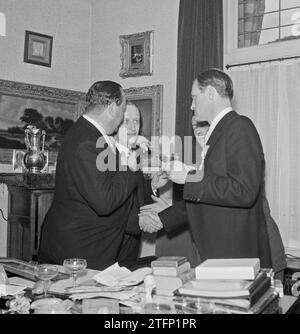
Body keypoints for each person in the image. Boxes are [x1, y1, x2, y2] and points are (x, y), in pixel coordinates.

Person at [139, 68, 273, 269]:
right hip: (221, 254)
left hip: (235, 256)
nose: (192, 106)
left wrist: (189, 177)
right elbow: (210, 196)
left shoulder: (240, 127)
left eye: (194, 97)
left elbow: (244, 191)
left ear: (210, 93)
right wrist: (165, 217)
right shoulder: (221, 132)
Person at [38, 81, 142, 270]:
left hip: (89, 246)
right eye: (123, 109)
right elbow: (105, 202)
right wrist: (130, 169)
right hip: (78, 250)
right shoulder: (88, 142)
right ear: (112, 108)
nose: (121, 118)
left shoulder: (90, 135)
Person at [114, 102, 168, 264]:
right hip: (110, 244)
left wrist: (151, 186)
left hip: (129, 246)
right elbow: (108, 205)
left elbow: (131, 194)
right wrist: (139, 222)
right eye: (126, 121)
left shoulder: (132, 154)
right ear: (115, 124)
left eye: (136, 121)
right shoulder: (106, 154)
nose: (132, 127)